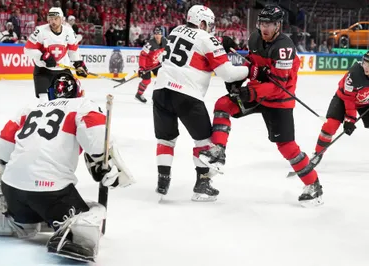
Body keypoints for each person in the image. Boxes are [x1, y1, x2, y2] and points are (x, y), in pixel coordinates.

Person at [0, 74, 134, 262]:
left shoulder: (30, 107)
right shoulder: (82, 105)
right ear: (79, 92)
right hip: (51, 194)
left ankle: (16, 219)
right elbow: (98, 143)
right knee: (94, 210)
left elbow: (3, 149)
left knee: (25, 213)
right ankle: (75, 238)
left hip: (12, 189)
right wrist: (106, 163)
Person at [199, 4, 323, 206]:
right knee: (223, 104)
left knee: (287, 147)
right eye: (262, 23)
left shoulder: (284, 47)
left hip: (279, 100)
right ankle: (218, 152)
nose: (265, 28)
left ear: (278, 25)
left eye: (270, 24)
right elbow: (252, 64)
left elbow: (278, 86)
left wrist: (252, 90)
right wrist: (238, 77)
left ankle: (314, 186)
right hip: (258, 93)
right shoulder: (255, 38)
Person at [152, 5, 256, 201]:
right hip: (187, 94)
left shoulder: (175, 30)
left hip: (161, 90)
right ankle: (202, 186)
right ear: (201, 22)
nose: (210, 28)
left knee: (165, 140)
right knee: (204, 143)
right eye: (208, 24)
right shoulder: (206, 38)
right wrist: (250, 69)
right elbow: (228, 73)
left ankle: (162, 183)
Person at [312, 51, 369, 167]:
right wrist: (350, 120)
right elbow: (349, 100)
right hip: (344, 99)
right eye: (365, 63)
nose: (366, 67)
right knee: (330, 125)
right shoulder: (354, 74)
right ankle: (317, 153)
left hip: (365, 102)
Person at [24, 7, 88, 101]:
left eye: (56, 19)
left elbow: (73, 50)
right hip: (43, 70)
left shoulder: (69, 31)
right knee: (44, 101)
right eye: (51, 19)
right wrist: (42, 56)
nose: (53, 21)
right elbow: (27, 49)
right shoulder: (40, 31)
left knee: (71, 99)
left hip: (62, 70)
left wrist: (78, 63)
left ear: (62, 19)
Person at [135, 26, 167, 103]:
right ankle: (139, 94)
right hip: (146, 66)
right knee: (147, 80)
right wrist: (141, 68)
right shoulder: (149, 44)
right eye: (155, 34)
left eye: (159, 33)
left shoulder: (165, 41)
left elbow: (168, 50)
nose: (157, 35)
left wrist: (166, 59)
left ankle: (156, 96)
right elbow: (142, 56)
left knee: (162, 77)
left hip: (156, 64)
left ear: (162, 34)